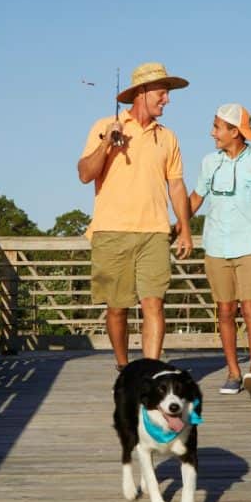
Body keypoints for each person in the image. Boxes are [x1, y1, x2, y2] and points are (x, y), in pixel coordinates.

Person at [77, 62, 194, 370]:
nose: (167, 100)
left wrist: (184, 228)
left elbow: (177, 185)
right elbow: (85, 174)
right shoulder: (104, 125)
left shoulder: (168, 138)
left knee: (154, 303)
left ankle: (151, 371)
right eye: (162, 93)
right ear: (141, 93)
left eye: (167, 94)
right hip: (111, 231)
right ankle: (123, 366)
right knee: (117, 309)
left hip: (155, 232)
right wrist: (107, 143)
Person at [188, 103, 251, 400]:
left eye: (217, 127)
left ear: (235, 132)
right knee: (224, 310)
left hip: (250, 246)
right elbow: (195, 198)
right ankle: (234, 373)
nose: (212, 133)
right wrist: (178, 226)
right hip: (216, 246)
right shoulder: (210, 162)